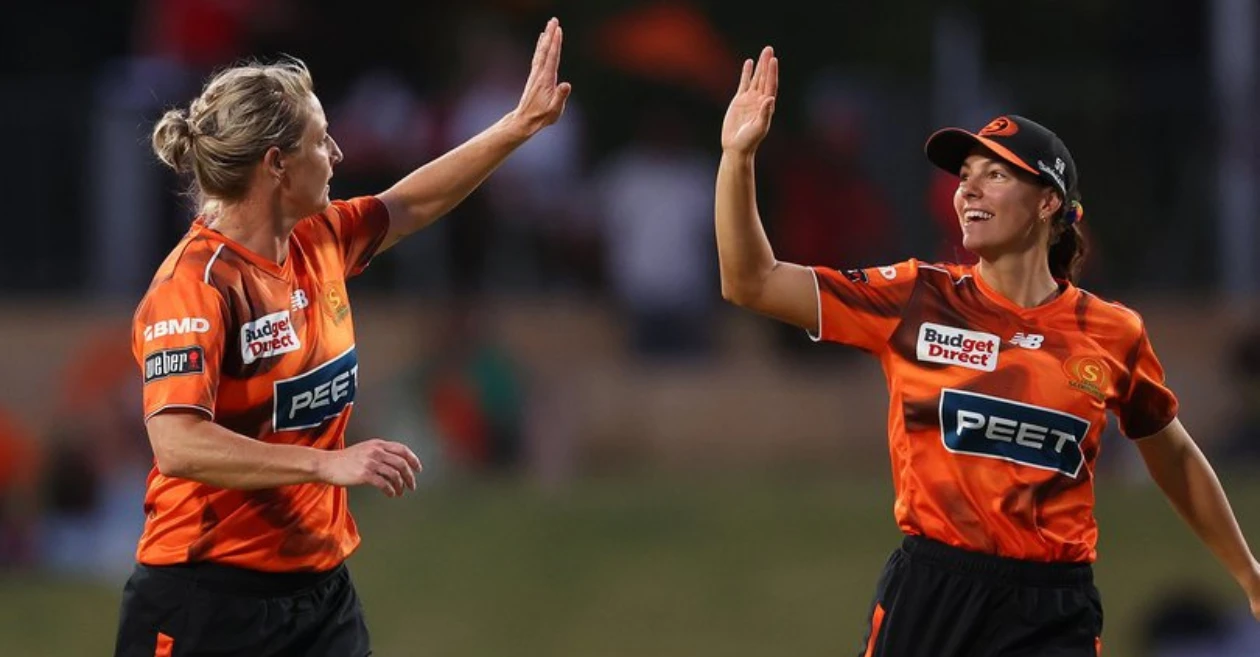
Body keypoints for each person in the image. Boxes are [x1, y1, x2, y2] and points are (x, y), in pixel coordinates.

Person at [715, 46, 1260, 657]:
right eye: (965, 174)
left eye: (995, 174)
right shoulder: (915, 296)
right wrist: (738, 158)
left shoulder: (1111, 333)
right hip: (932, 595)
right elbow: (750, 281)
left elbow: (1174, 455)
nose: (967, 188)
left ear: (1048, 202)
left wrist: (1250, 574)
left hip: (1052, 608)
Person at [114, 18, 570, 657]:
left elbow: (408, 204)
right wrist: (327, 464)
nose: (337, 154)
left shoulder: (318, 239)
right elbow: (178, 444)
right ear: (276, 164)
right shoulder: (196, 286)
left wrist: (517, 127)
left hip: (320, 596)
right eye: (320, 140)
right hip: (207, 600)